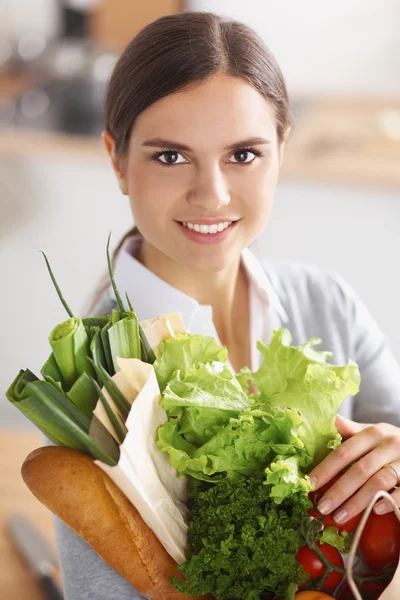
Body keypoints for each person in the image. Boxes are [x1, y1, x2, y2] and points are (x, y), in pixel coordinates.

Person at [54, 11, 400, 599]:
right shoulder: (89, 389)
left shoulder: (328, 304)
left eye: (243, 154)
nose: (211, 194)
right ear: (117, 160)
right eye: (170, 156)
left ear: (281, 151)